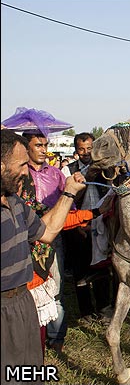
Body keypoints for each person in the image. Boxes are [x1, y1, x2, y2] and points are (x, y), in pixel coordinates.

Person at [1, 131, 86, 385]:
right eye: (21, 165)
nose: (27, 173)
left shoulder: (15, 201)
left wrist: (69, 192)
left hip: (23, 303)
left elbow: (46, 231)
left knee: (31, 375)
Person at [21, 131, 69, 353]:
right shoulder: (20, 175)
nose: (43, 150)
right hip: (25, 241)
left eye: (45, 145)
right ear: (26, 148)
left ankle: (56, 337)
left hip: (52, 239)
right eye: (38, 145)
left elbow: (69, 205)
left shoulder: (57, 174)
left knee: (55, 289)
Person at [61, 133, 114, 323]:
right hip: (77, 226)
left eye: (89, 148)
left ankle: (104, 308)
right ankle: (85, 311)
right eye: (81, 149)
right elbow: (66, 200)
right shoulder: (68, 170)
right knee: (80, 269)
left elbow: (110, 195)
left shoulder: (105, 170)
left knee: (101, 267)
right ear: (76, 150)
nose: (85, 153)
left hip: (100, 224)